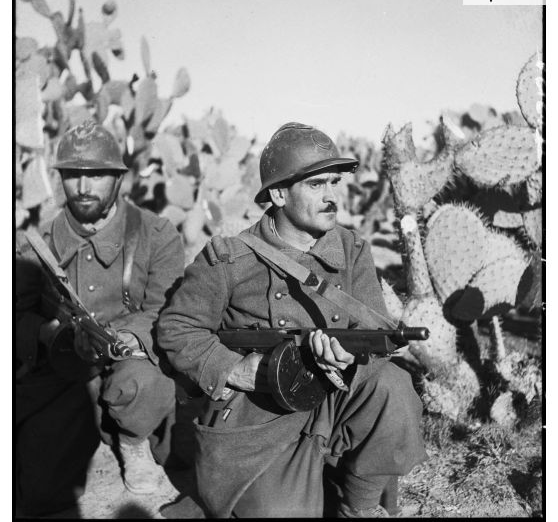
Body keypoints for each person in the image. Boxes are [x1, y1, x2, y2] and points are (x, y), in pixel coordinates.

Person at [157, 122, 427, 518]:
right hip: (259, 417)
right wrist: (237, 370)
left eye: (335, 182)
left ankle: (360, 506)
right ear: (280, 194)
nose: (332, 196)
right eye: (317, 186)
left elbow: (373, 334)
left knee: (394, 387)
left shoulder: (352, 250)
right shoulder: (229, 257)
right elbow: (176, 328)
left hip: (333, 399)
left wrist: (349, 359)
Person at [15, 121, 185, 516]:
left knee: (145, 379)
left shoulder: (156, 234)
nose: (84, 187)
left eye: (96, 175)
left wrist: (123, 337)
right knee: (40, 492)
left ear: (119, 179)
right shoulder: (37, 243)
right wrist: (48, 334)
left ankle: (132, 441)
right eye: (73, 175)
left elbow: (170, 310)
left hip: (131, 365)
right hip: (67, 373)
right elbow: (15, 313)